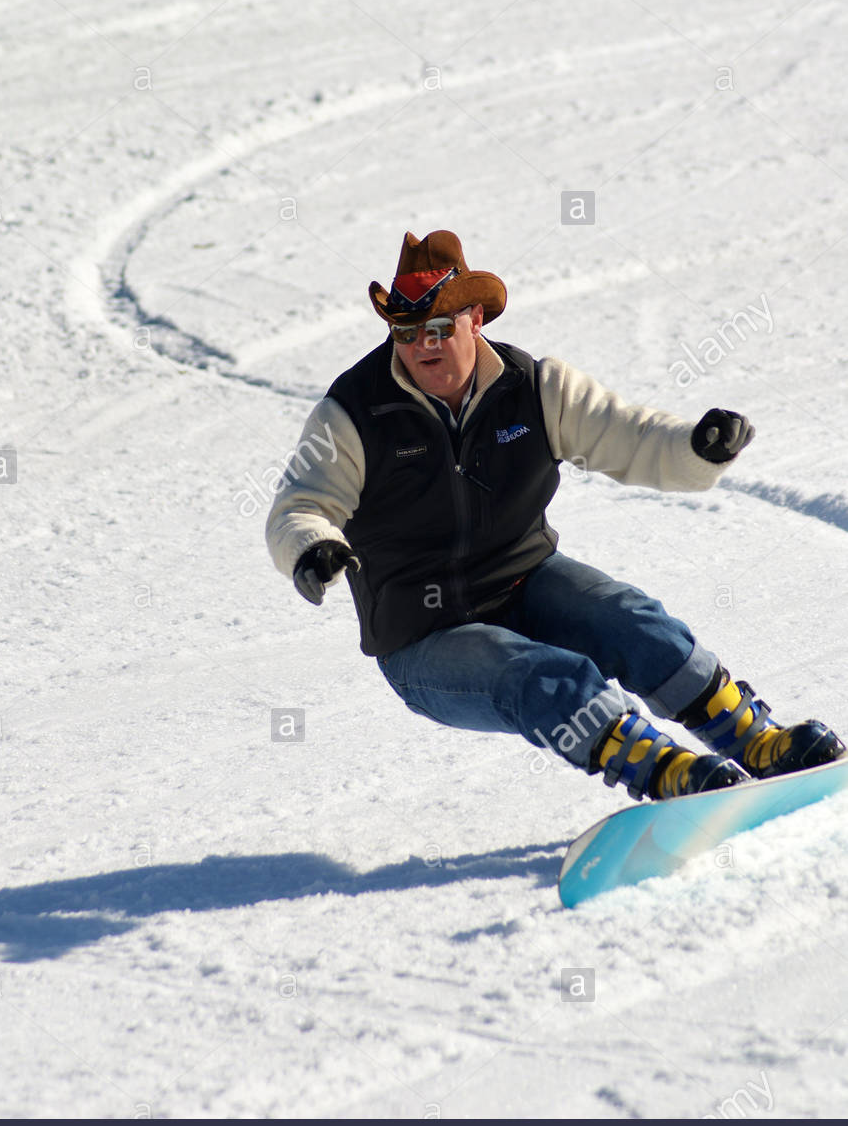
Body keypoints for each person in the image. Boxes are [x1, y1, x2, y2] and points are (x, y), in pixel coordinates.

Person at [266, 229, 844, 802]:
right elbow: (301, 503)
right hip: (422, 635)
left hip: (526, 581)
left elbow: (632, 437)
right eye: (407, 332)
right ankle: (665, 772)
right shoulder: (355, 413)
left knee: (633, 621)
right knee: (539, 675)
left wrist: (698, 448)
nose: (423, 346)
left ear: (474, 319)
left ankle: (757, 741)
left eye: (439, 328)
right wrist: (311, 547)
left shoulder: (535, 389)